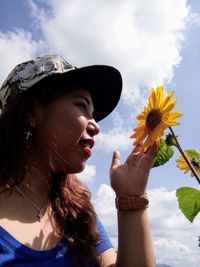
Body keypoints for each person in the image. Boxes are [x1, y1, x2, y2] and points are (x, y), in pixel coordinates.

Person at [0, 54, 157, 267]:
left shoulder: (77, 212)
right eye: (82, 107)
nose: (96, 126)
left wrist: (132, 198)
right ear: (31, 113)